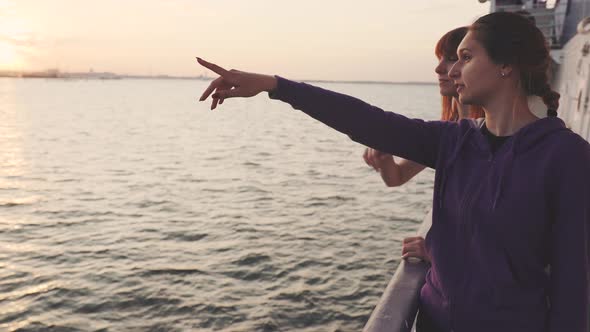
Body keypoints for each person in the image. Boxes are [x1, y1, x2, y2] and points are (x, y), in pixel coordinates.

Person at [197, 11, 589, 332]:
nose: (452, 70)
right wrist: (274, 85)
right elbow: (368, 120)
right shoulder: (453, 141)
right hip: (432, 322)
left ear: (506, 65)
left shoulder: (567, 157)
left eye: (466, 58)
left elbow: (573, 286)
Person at [362, 27, 485, 263]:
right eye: (441, 59)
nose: (439, 68)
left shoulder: (493, 134)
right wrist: (385, 159)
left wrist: (440, 251)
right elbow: (396, 177)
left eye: (453, 59)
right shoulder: (451, 128)